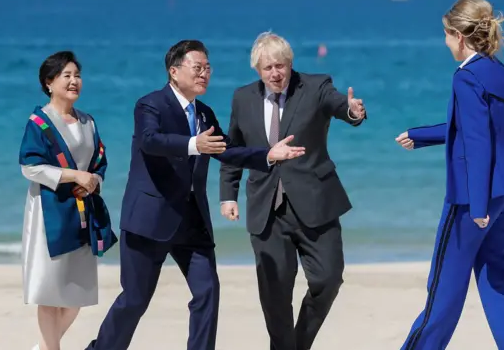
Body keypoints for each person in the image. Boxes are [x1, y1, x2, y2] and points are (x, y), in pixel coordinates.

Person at [85, 40, 306, 350]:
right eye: (197, 68)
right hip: (150, 219)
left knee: (207, 292)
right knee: (134, 300)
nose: (204, 74)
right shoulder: (150, 105)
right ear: (174, 72)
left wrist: (269, 154)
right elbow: (151, 141)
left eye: (208, 68)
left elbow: (229, 150)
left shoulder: (204, 113)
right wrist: (193, 145)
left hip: (192, 222)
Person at [394, 0, 504, 350]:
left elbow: (477, 141)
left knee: (442, 294)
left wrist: (476, 205)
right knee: (499, 283)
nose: (445, 43)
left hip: (470, 202)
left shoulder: (465, 76)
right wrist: (421, 135)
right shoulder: (497, 70)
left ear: (460, 36)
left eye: (446, 35)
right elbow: (481, 127)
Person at [218, 31, 366, 350]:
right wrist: (228, 194)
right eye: (268, 67)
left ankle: (298, 344)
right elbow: (234, 149)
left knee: (328, 279)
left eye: (281, 65)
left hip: (316, 202)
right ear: (257, 69)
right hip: (266, 211)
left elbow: (339, 104)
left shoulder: (315, 86)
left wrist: (353, 111)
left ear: (290, 64)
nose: (276, 73)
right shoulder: (243, 98)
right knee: (275, 295)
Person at [18, 51, 117, 350]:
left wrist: (92, 183)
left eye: (77, 75)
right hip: (49, 215)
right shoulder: (39, 122)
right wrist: (74, 176)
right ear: (49, 83)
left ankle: (44, 347)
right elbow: (29, 166)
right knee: (49, 293)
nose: (74, 81)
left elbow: (99, 162)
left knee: (76, 295)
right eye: (66, 76)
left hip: (82, 213)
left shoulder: (88, 121)